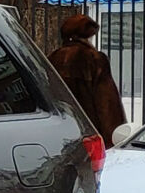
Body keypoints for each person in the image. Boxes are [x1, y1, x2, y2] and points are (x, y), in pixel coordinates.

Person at [48, 12, 128, 141]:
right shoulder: (94, 59)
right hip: (89, 130)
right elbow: (107, 103)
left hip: (59, 128)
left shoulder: (52, 58)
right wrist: (114, 137)